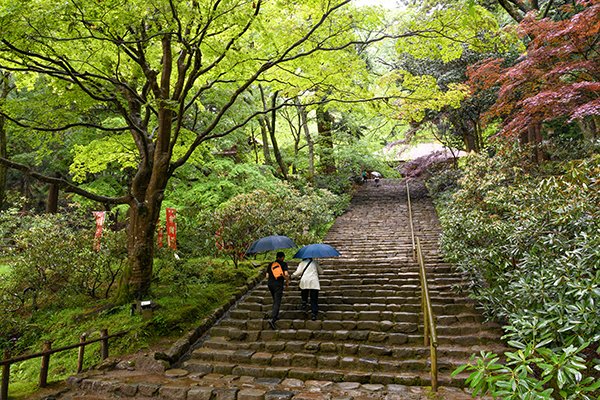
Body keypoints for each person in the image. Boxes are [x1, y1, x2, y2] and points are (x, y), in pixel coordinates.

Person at [266, 251, 290, 329]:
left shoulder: (271, 264)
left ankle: (275, 315)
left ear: (276, 257)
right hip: (278, 285)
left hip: (270, 284)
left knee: (274, 300)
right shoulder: (283, 264)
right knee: (277, 301)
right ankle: (273, 319)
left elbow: (267, 276)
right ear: (282, 257)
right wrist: (287, 280)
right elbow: (286, 274)